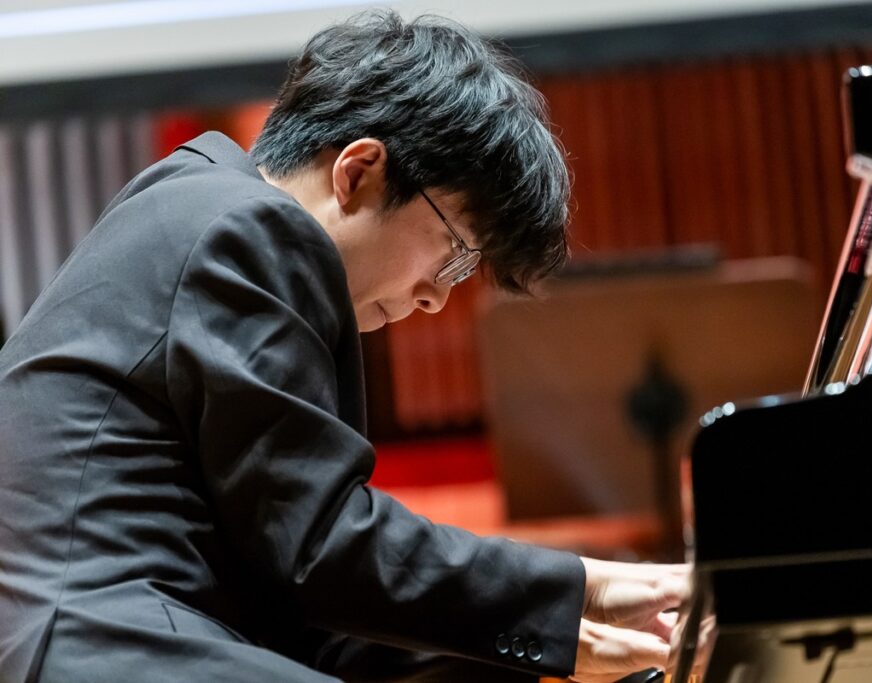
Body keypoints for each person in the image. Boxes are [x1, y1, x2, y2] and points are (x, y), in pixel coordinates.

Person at [0, 11, 690, 683]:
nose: (435, 298)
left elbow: (300, 594)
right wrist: (581, 597)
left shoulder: (200, 205)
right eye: (452, 254)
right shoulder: (247, 230)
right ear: (358, 172)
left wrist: (561, 629)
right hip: (91, 642)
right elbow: (323, 547)